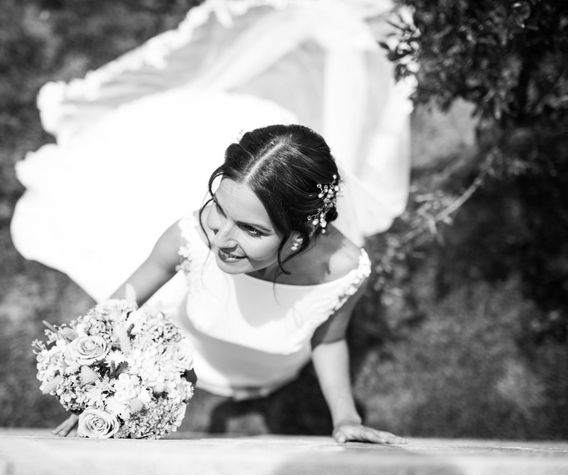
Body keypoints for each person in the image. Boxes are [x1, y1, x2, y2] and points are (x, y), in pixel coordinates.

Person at [52, 124, 404, 444]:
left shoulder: (343, 271)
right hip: (196, 348)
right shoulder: (189, 237)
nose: (221, 240)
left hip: (270, 365)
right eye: (220, 209)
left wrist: (345, 417)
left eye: (251, 229)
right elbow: (117, 309)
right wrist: (96, 386)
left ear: (301, 235)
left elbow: (329, 342)